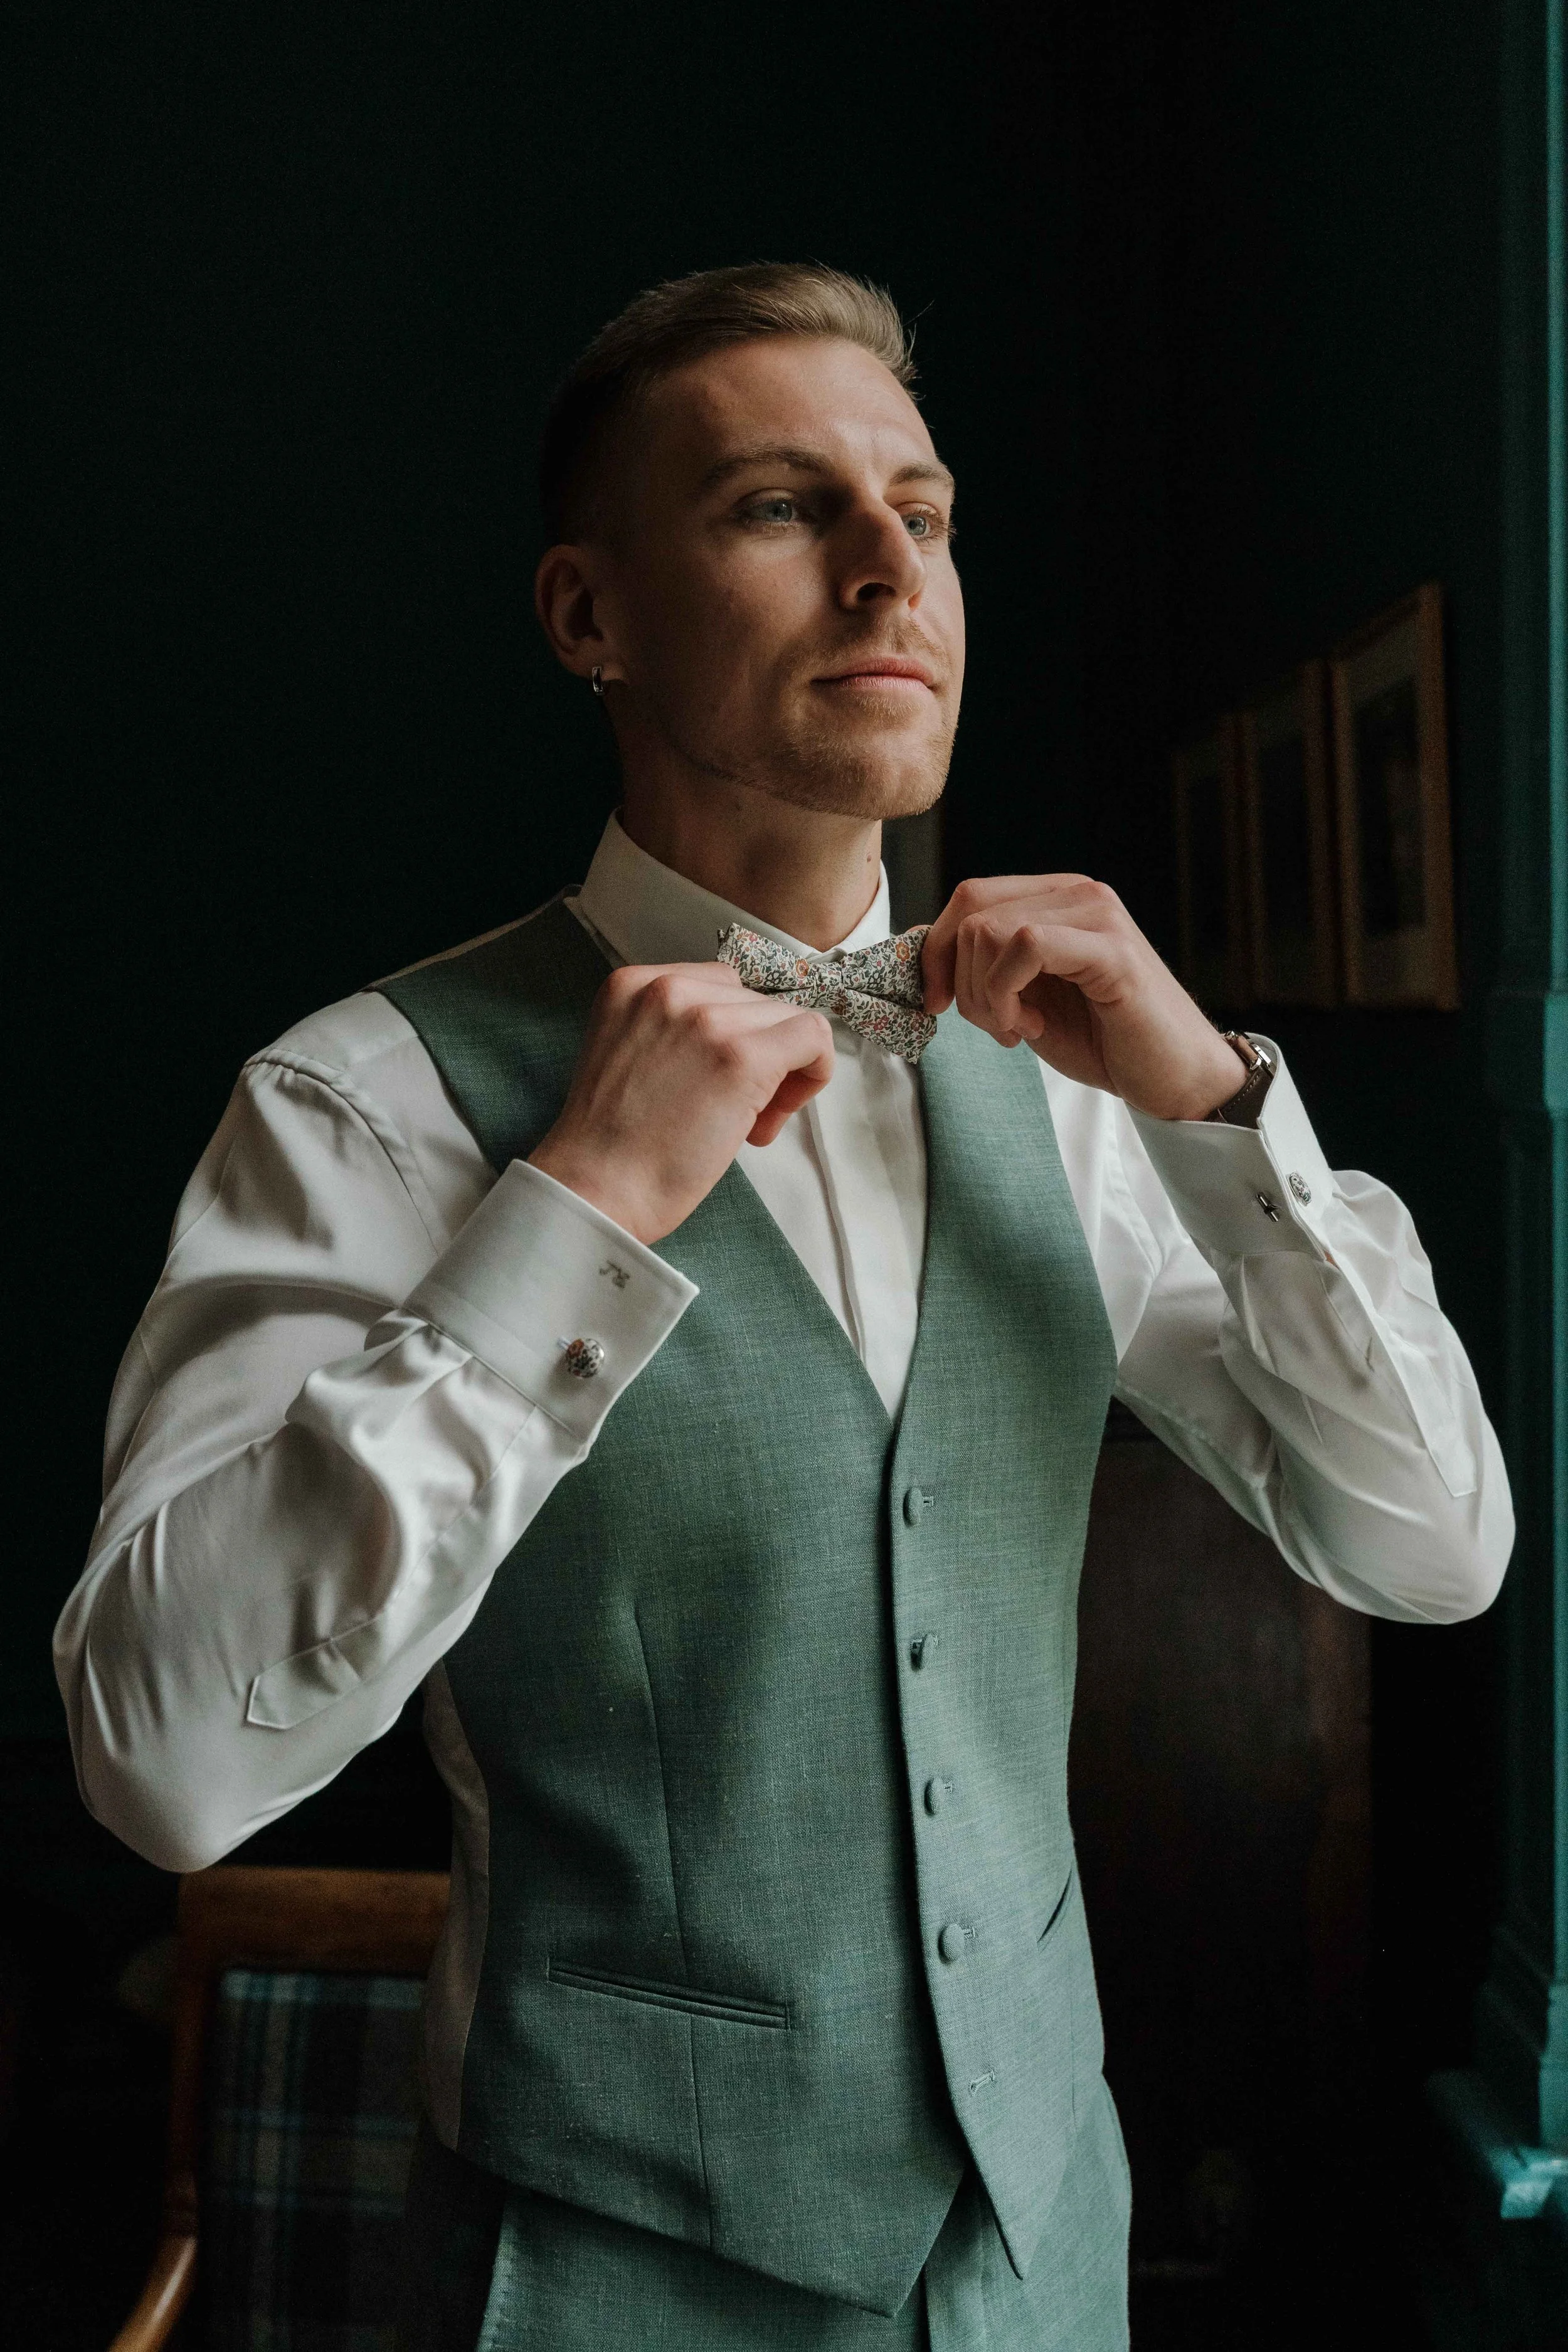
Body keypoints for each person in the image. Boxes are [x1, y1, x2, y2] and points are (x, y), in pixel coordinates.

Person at [56, 263, 1512, 2351]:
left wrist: (1214, 1105)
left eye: (921, 512)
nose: (886, 571)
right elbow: (162, 1763)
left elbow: (1431, 1547)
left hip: (1040, 2258)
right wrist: (573, 1208)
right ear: (588, 614)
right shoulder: (364, 1099)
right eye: (775, 505)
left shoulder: (1080, 1090)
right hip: (592, 2272)